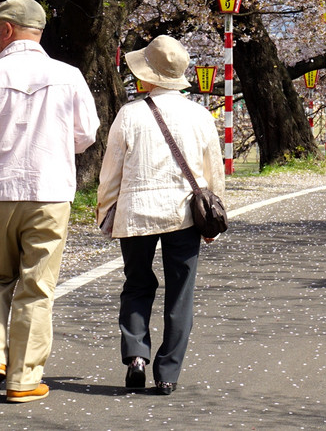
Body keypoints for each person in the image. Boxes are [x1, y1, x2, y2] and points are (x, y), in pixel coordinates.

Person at [0, 0, 100, 403]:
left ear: (6, 30)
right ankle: (22, 379)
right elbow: (86, 133)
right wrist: (53, 145)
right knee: (37, 286)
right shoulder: (68, 75)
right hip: (50, 190)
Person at [96, 35, 227, 396]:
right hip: (184, 213)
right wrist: (214, 220)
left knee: (137, 284)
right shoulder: (200, 115)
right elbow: (213, 172)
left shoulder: (130, 114)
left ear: (148, 75)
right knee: (180, 292)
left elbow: (112, 173)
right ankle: (167, 373)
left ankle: (136, 354)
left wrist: (106, 212)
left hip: (136, 212)